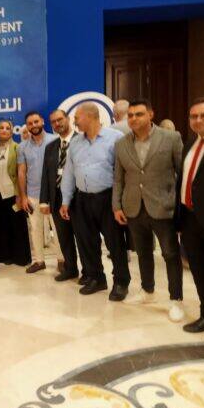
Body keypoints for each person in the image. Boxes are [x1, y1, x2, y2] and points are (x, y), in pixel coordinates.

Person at [112, 100, 184, 321]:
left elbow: (182, 174)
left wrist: (181, 207)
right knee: (143, 252)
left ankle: (176, 299)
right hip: (134, 207)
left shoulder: (171, 138)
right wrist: (117, 206)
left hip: (163, 206)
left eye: (139, 114)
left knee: (170, 254)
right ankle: (148, 291)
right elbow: (118, 178)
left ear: (151, 114)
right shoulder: (122, 143)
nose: (134, 118)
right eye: (130, 115)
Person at [60, 103, 131, 301]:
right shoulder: (75, 143)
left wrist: (120, 202)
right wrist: (66, 200)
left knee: (115, 243)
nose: (74, 122)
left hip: (108, 198)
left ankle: (121, 282)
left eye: (77, 118)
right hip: (82, 199)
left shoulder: (116, 138)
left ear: (91, 116)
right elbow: (69, 173)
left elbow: (124, 173)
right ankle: (96, 278)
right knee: (86, 242)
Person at [40, 110, 82, 282]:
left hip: (78, 199)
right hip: (57, 199)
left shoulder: (82, 141)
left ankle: (90, 273)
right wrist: (44, 200)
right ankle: (70, 269)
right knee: (64, 238)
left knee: (83, 238)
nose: (57, 124)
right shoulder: (50, 147)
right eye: (53, 122)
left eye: (60, 119)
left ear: (68, 119)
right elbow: (45, 175)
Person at [17, 111, 62, 274]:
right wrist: (23, 197)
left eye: (36, 122)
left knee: (57, 229)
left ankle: (62, 260)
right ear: (27, 126)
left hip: (53, 194)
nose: (33, 125)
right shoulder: (22, 147)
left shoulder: (55, 141)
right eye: (30, 123)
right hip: (33, 194)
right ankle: (39, 261)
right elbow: (21, 172)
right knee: (35, 229)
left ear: (42, 121)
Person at [179, 97, 204, 335]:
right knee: (199, 272)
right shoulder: (189, 145)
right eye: (194, 116)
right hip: (190, 220)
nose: (198, 120)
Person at [0, 119, 31, 266]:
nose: (4, 130)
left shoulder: (18, 148)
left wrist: (21, 195)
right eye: (1, 128)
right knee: (2, 226)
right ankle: (5, 256)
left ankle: (21, 258)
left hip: (14, 194)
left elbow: (22, 173)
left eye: (7, 128)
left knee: (17, 226)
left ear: (11, 131)